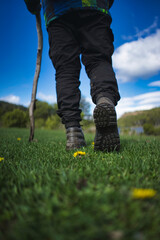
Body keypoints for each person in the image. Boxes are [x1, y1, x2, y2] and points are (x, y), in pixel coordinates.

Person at [24, 0, 121, 152]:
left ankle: (73, 132)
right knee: (98, 60)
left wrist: (33, 6)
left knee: (65, 71)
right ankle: (105, 100)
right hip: (94, 6)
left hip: (57, 13)